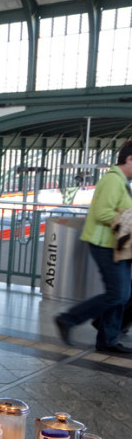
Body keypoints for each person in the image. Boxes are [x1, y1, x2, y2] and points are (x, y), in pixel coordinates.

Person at [55, 141, 132, 353]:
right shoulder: (112, 181)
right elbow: (102, 213)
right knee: (118, 294)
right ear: (129, 159)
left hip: (117, 244)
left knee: (122, 294)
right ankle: (68, 319)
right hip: (104, 243)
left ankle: (107, 339)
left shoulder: (123, 181)